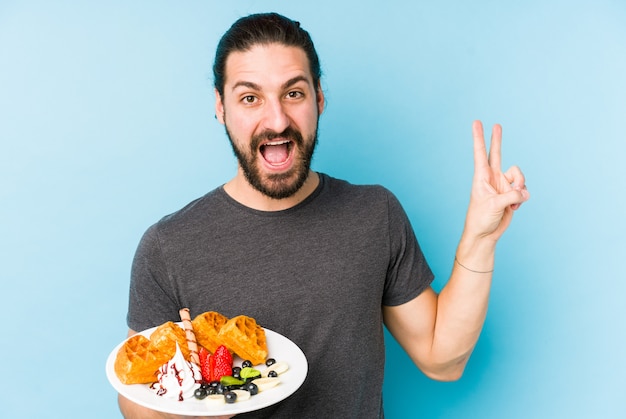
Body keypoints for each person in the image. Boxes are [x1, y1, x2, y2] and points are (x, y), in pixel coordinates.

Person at [118, 12, 529, 419]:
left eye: (293, 93)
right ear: (221, 107)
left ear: (319, 98)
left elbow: (443, 359)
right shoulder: (169, 246)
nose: (276, 120)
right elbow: (136, 403)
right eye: (250, 98)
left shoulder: (374, 216)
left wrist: (480, 240)